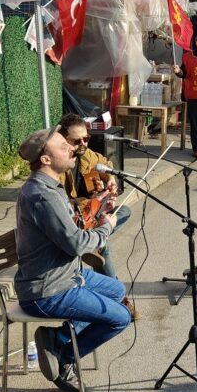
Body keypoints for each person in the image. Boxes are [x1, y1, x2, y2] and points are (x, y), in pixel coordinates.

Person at [15, 126, 129, 392]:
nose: (71, 148)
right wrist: (106, 228)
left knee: (117, 290)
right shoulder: (44, 196)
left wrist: (100, 203)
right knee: (121, 318)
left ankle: (58, 337)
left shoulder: (48, 186)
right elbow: (77, 244)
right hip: (47, 289)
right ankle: (65, 357)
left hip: (66, 274)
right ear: (45, 159)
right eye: (63, 146)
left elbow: (70, 230)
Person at [55, 114, 133, 287]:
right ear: (62, 141)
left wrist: (111, 181)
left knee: (125, 211)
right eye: (77, 141)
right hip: (71, 220)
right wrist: (92, 201)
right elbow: (61, 205)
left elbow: (106, 163)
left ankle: (93, 240)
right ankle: (116, 294)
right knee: (103, 247)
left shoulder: (86, 154)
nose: (83, 144)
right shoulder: (57, 166)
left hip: (90, 215)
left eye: (86, 138)